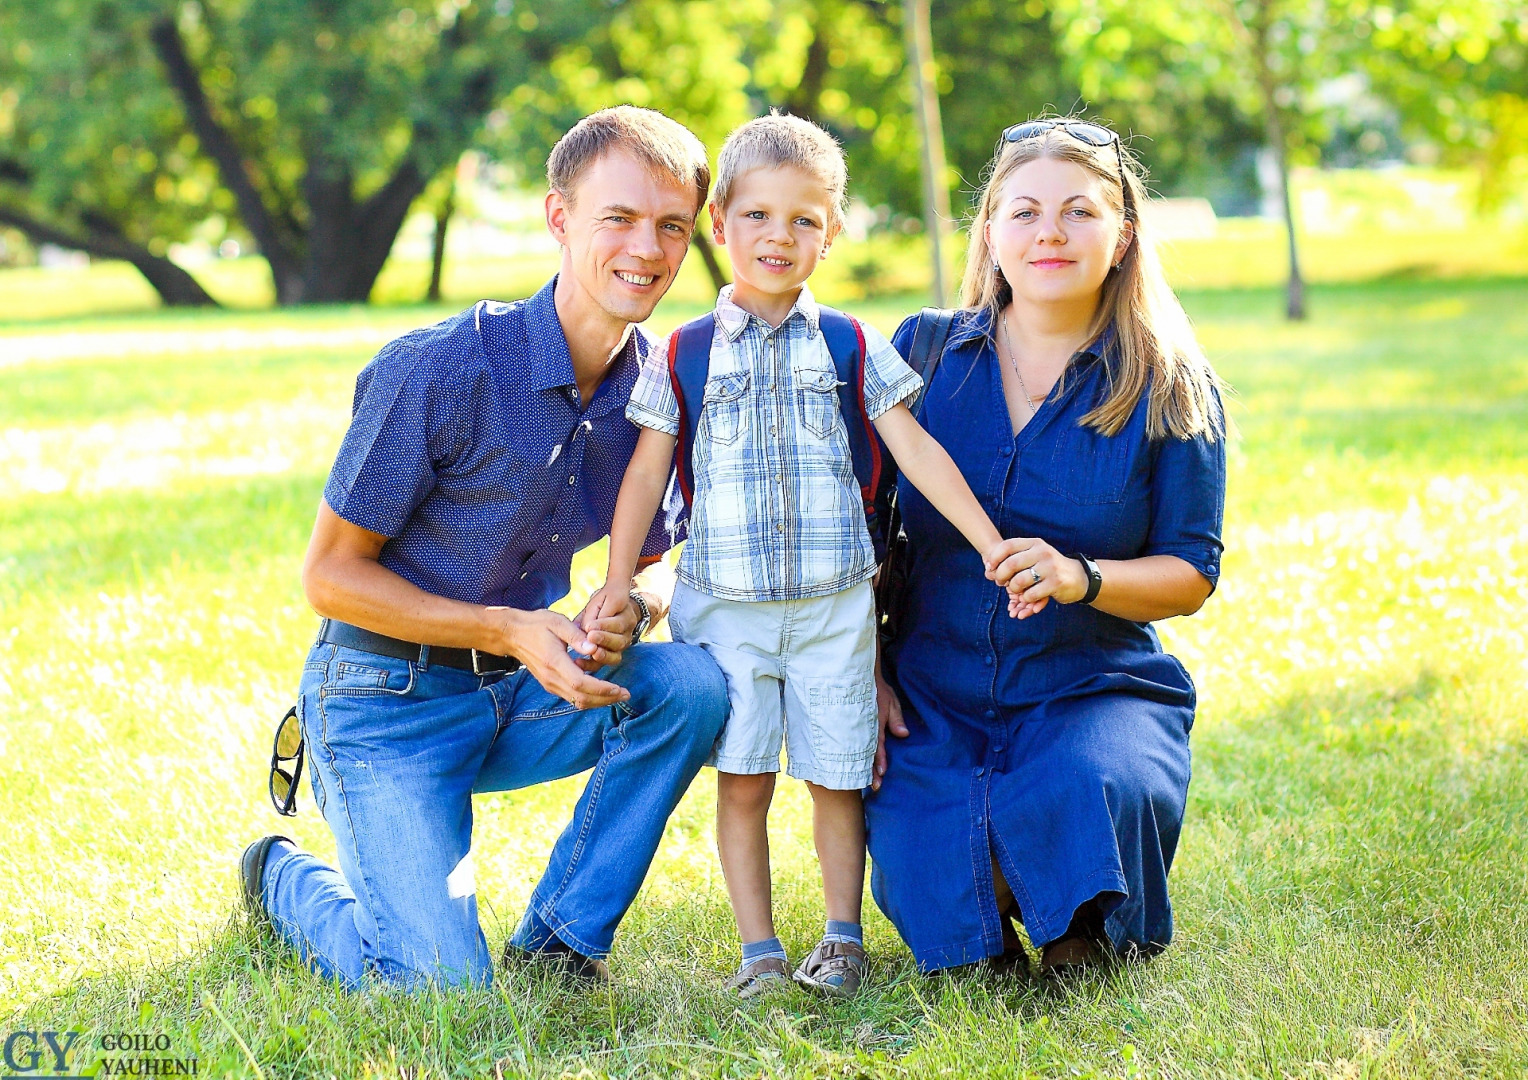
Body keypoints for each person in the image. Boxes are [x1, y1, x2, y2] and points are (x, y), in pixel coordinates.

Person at [237, 106, 730, 990]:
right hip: (382, 704)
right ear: (559, 218)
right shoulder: (438, 368)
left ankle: (559, 942)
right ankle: (283, 879)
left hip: (525, 684)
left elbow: (665, 553)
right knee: (435, 991)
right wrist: (507, 628)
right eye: (618, 218)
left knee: (689, 686)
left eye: (671, 227)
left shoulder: (661, 388)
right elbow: (328, 576)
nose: (647, 249)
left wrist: (633, 606)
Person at [583, 114, 1007, 998]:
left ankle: (842, 942)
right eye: (760, 217)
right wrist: (618, 585)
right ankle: (760, 954)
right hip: (724, 610)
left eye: (805, 220)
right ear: (721, 224)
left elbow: (919, 455)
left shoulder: (852, 344)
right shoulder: (683, 352)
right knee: (741, 783)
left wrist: (992, 544)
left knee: (835, 778)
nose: (781, 237)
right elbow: (643, 479)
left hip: (832, 612)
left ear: (833, 230)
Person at [864, 117, 1228, 975]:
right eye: (1023, 212)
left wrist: (1081, 576)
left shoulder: (1172, 384)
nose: (1050, 234)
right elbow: (856, 526)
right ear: (990, 230)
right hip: (932, 695)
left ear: (1123, 234)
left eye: (1079, 212)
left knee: (1086, 800)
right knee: (950, 883)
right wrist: (866, 668)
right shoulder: (920, 352)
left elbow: (1190, 574)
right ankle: (1010, 891)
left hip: (1091, 686)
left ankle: (1079, 921)